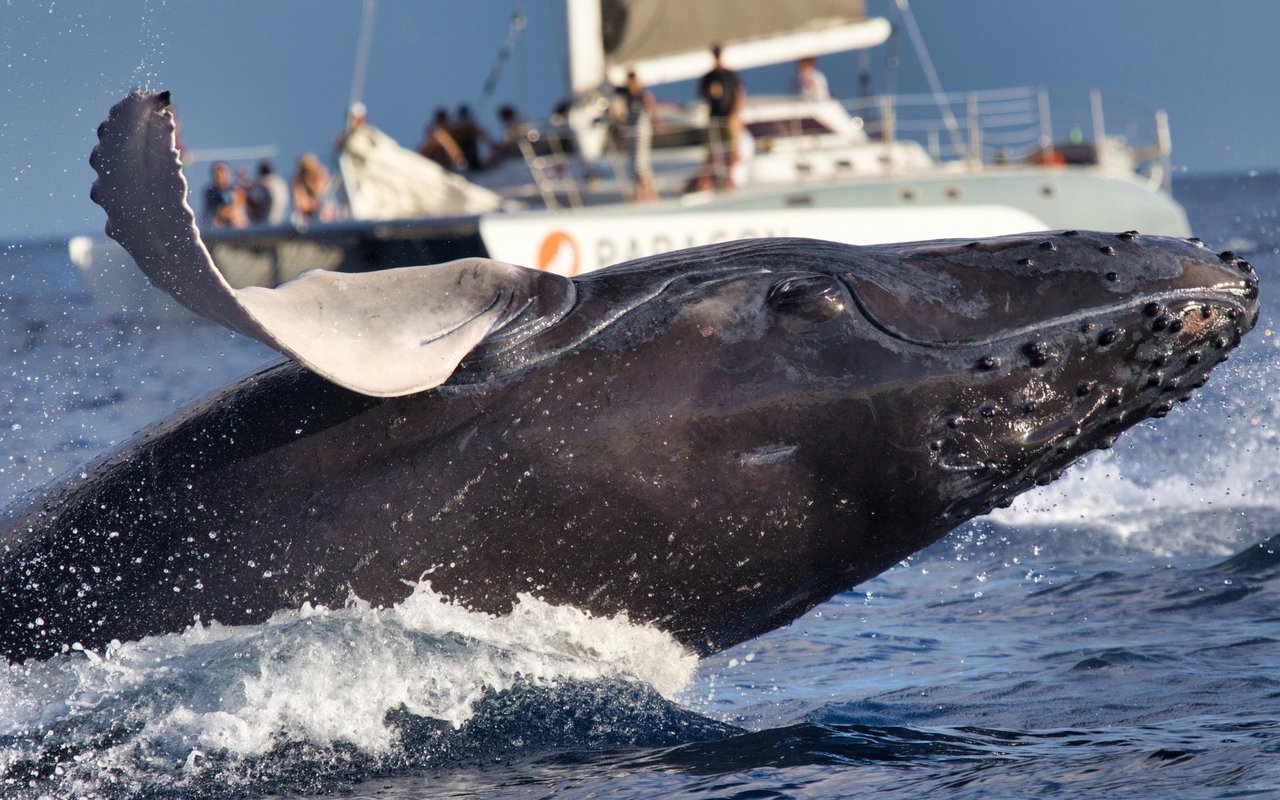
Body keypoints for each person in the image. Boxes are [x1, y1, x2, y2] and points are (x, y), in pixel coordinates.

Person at [697, 43, 744, 190]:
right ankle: (712, 180)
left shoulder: (730, 75)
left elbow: (739, 94)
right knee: (712, 151)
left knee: (732, 151)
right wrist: (709, 92)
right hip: (714, 117)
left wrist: (735, 114)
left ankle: (730, 180)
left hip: (728, 117)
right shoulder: (709, 76)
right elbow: (701, 94)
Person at [618, 71, 663, 202]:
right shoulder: (627, 96)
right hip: (631, 133)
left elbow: (652, 111)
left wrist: (658, 123)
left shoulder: (643, 95)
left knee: (641, 162)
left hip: (641, 132)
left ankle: (650, 193)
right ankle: (639, 194)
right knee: (633, 163)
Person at [202, 161, 248, 228]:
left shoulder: (236, 190)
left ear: (227, 175)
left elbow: (237, 209)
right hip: (218, 226)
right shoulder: (210, 192)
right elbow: (206, 213)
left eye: (221, 176)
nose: (219, 180)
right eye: (217, 176)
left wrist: (223, 213)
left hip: (236, 225)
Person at [291, 153, 332, 222]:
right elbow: (298, 199)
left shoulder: (321, 174)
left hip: (323, 211)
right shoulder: (299, 178)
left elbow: (323, 193)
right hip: (306, 213)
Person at [450, 104, 491, 171]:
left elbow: (485, 137)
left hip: (472, 162)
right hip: (458, 161)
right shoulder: (455, 131)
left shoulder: (472, 129)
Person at [247, 160, 289, 225]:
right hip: (279, 218)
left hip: (270, 220)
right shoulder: (280, 181)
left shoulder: (266, 180)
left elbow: (252, 187)